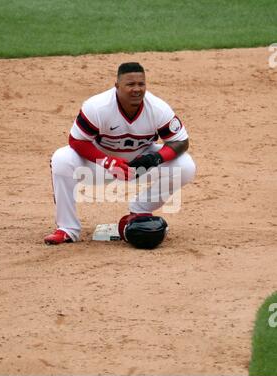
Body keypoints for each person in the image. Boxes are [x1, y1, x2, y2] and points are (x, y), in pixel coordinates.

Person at [44, 62, 196, 245]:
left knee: (185, 166)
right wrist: (107, 161)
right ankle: (67, 229)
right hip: (100, 166)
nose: (137, 89)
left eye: (141, 84)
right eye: (130, 84)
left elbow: (180, 141)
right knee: (61, 159)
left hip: (140, 166)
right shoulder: (97, 107)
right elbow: (76, 140)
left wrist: (156, 157)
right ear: (117, 86)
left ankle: (140, 210)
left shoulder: (158, 108)